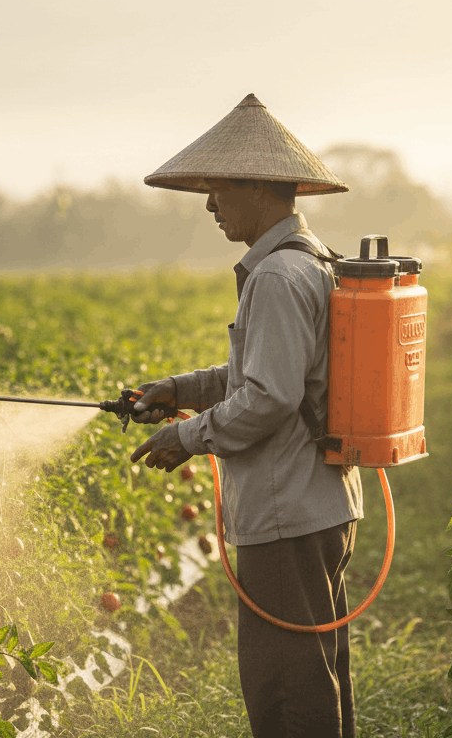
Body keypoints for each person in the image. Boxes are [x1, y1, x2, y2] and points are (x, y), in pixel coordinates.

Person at [128, 94, 364, 738]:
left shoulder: (278, 277)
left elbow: (268, 398)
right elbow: (265, 375)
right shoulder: (307, 263)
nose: (209, 203)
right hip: (317, 501)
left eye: (219, 188)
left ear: (259, 188)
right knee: (317, 671)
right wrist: (179, 388)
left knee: (286, 685)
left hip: (286, 511)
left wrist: (187, 436)